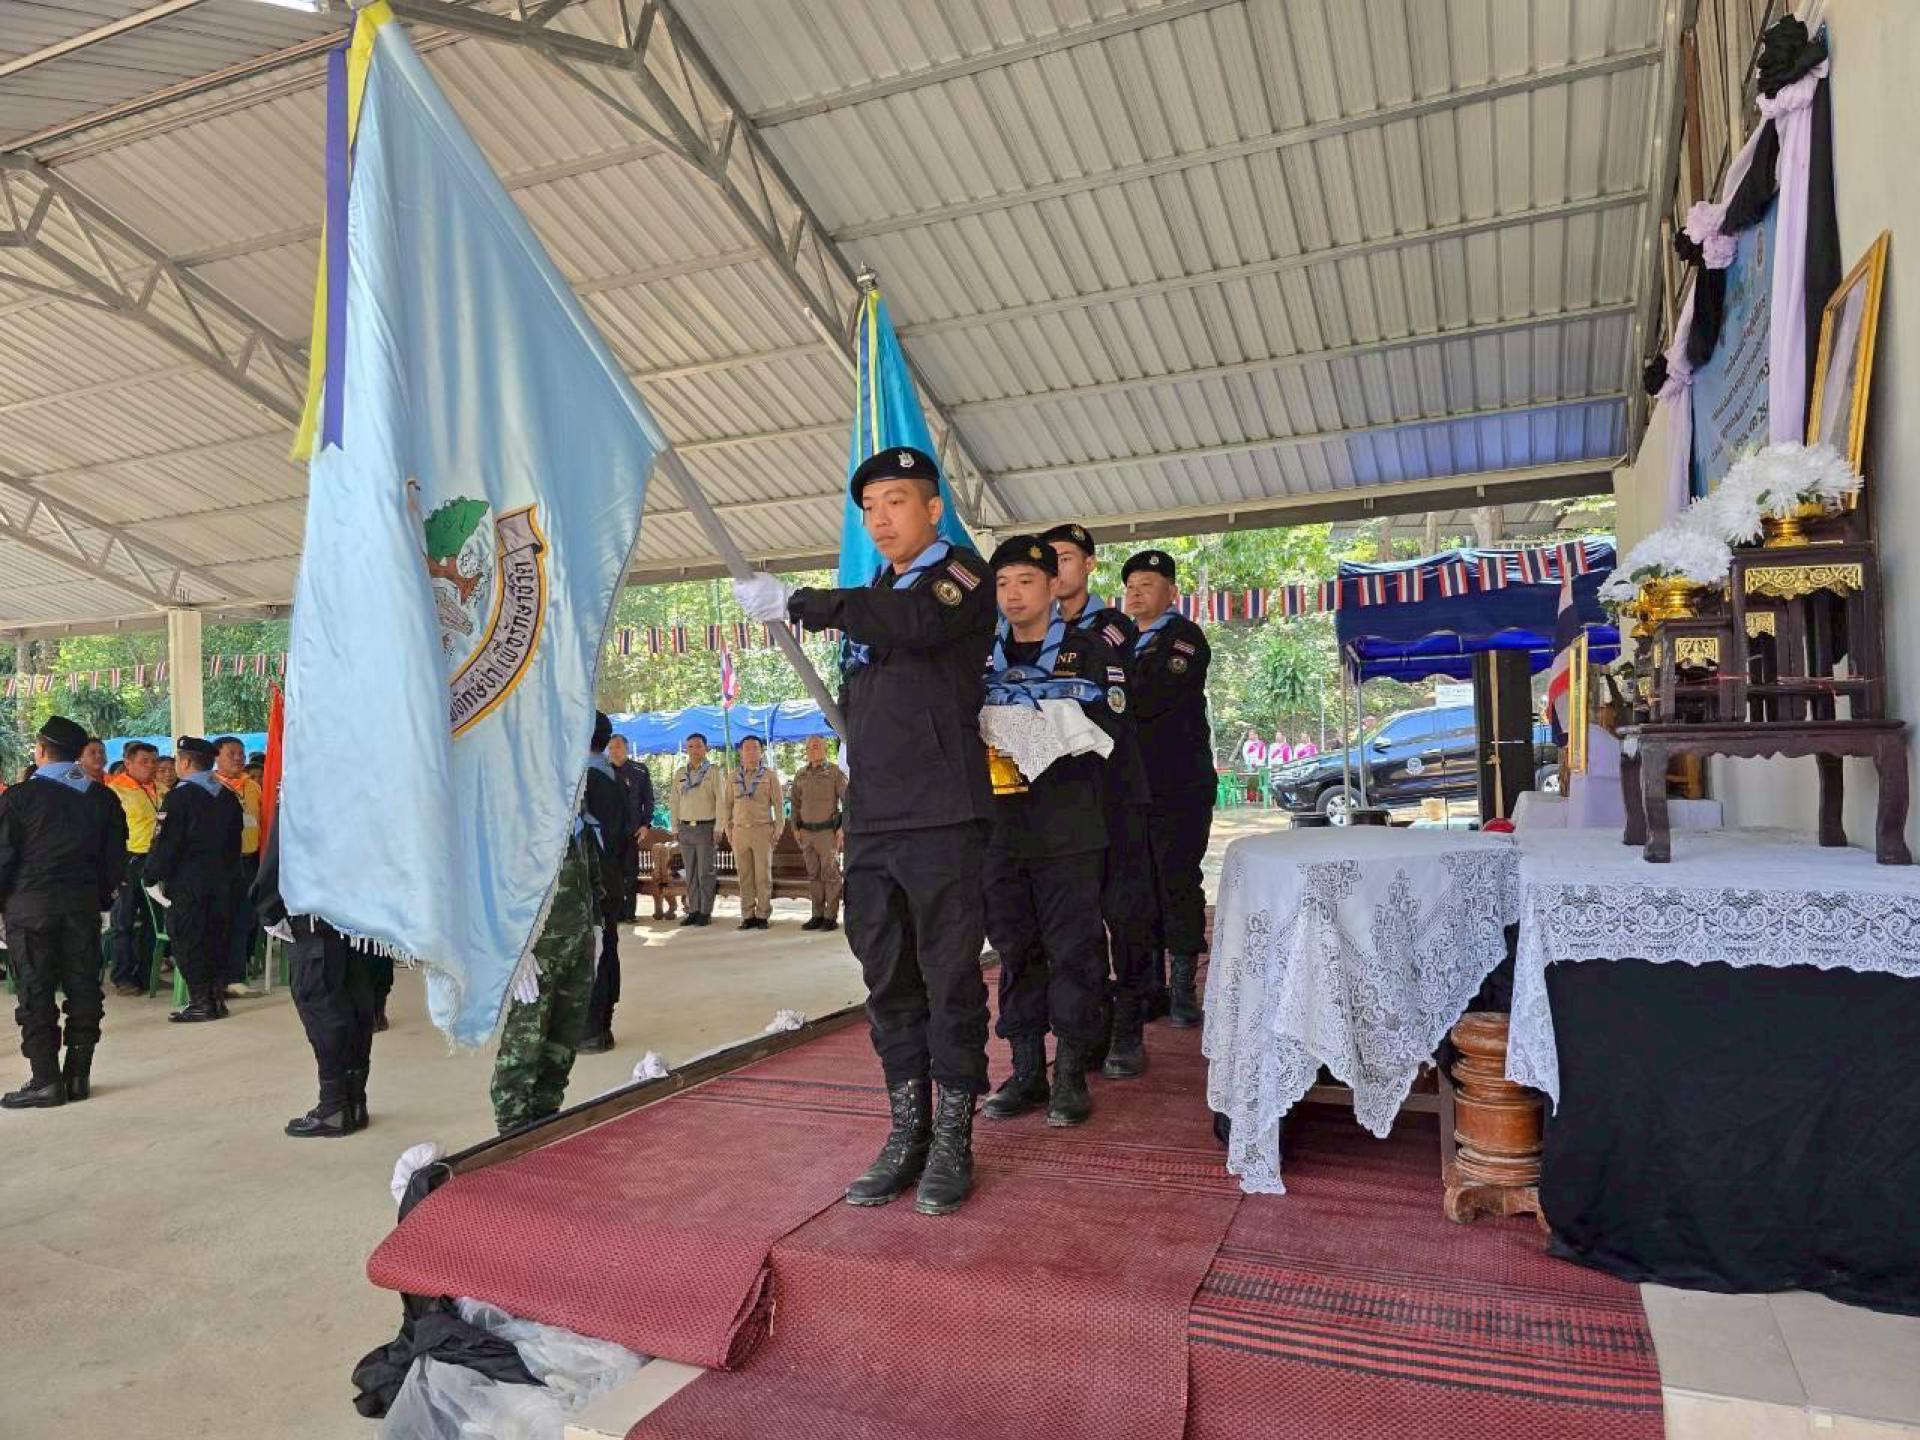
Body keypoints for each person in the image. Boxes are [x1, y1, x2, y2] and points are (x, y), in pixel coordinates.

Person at [734, 445, 996, 1216]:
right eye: (870, 509)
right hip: (877, 814)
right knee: (886, 976)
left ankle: (953, 1137)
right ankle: (907, 1130)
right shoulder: (877, 590)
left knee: (949, 977)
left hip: (944, 812)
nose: (880, 520)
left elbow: (916, 624)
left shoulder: (961, 577)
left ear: (933, 510)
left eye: (896, 503)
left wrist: (804, 602)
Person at [978, 537, 1126, 1128]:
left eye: (1026, 582)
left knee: (1074, 949)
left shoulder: (1088, 651)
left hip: (1068, 827)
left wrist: (1042, 724)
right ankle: (1025, 1070)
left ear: (1051, 586)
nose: (1014, 595)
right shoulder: (980, 655)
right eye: (1003, 584)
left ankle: (1069, 1072)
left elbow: (1112, 723)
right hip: (1001, 829)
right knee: (1015, 948)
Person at [1042, 521, 1158, 1071]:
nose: (1056, 569)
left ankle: (1130, 1026)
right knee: (1073, 922)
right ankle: (1086, 1028)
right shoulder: (1021, 634)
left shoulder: (1112, 626)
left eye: (1065, 558)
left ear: (1088, 564)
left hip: (1114, 793)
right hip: (1059, 800)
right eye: (1047, 561)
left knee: (1125, 912)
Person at [488, 719, 617, 1133]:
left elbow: (590, 868)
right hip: (537, 952)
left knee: (562, 1046)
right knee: (523, 1049)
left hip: (577, 945)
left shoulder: (573, 802)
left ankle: (544, 1126)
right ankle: (511, 1135)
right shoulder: (514, 812)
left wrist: (596, 926)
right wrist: (513, 949)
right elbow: (495, 885)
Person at [0, 716, 126, 1108]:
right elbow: (114, 861)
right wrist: (99, 899)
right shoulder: (102, 798)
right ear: (78, 753)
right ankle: (77, 1076)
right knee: (83, 988)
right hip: (81, 908)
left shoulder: (19, 798)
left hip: (30, 909)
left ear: (41, 751)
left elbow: (3, 859)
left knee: (35, 992)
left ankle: (45, 1080)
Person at [1122, 551, 1215, 1029]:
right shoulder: (1119, 639)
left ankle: (1182, 986)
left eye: (1148, 585)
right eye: (1131, 586)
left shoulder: (1184, 637)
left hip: (1179, 784)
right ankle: (1149, 988)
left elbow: (1152, 695)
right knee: (1139, 888)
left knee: (1176, 880)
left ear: (1172, 593)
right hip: (1132, 787)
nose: (1136, 593)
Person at [252, 817, 381, 1137]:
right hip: (360, 911)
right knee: (356, 1005)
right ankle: (355, 1101)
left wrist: (268, 907)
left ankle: (334, 1106)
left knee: (322, 1008)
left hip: (314, 915)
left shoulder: (303, 788)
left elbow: (283, 845)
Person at [144, 736, 243, 1024]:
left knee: (189, 942)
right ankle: (216, 999)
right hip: (222, 883)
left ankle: (201, 1002)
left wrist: (151, 875)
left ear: (186, 762)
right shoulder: (226, 795)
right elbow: (235, 844)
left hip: (188, 884)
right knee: (215, 940)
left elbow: (166, 844)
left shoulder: (180, 797)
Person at [578, 713, 634, 1054]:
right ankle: (603, 1025)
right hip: (611, 876)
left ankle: (590, 1028)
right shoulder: (614, 776)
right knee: (607, 945)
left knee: (590, 951)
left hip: (589, 880)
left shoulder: (581, 781)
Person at [107, 741, 163, 996]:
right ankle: (122, 976)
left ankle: (148, 974)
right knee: (124, 921)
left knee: (154, 920)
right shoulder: (115, 791)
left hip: (157, 860)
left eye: (154, 761)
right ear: (128, 763)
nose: (151, 766)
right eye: (144, 762)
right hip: (129, 860)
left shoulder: (162, 789)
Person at [211, 736, 264, 997]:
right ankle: (218, 978)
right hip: (222, 864)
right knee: (222, 920)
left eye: (241, 753)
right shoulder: (210, 786)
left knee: (244, 919)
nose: (239, 758)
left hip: (250, 860)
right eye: (231, 753)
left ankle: (235, 976)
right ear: (216, 757)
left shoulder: (252, 786)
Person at [787, 734, 847, 931]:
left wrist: (842, 828)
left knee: (830, 874)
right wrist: (795, 828)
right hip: (806, 833)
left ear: (824, 748)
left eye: (816, 746)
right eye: (809, 747)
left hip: (827, 833)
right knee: (813, 875)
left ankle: (830, 917)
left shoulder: (834, 773)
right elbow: (795, 804)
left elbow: (849, 802)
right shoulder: (800, 775)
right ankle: (817, 915)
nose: (812, 750)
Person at [724, 736, 782, 931]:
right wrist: (728, 830)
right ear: (741, 752)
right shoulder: (732, 777)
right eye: (747, 748)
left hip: (762, 831)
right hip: (740, 832)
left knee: (762, 876)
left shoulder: (769, 776)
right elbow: (727, 806)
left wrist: (778, 829)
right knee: (744, 875)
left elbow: (779, 805)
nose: (751, 752)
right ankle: (747, 915)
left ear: (761, 752)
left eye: (755, 748)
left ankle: (763, 914)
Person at [668, 733, 723, 927]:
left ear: (706, 748)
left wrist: (719, 827)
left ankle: (705, 911)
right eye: (690, 746)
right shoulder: (680, 773)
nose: (694, 750)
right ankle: (693, 910)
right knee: (690, 872)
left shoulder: (713, 772)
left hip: (705, 827)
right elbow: (674, 801)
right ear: (686, 749)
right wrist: (674, 826)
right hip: (685, 828)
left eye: (698, 746)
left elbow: (721, 800)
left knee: (705, 872)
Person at [606, 735, 655, 922]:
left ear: (626, 748)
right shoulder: (601, 770)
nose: (614, 751)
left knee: (630, 873)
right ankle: (614, 913)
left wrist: (645, 825)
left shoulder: (639, 770)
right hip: (609, 831)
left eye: (617, 746)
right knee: (612, 874)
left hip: (631, 830)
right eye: (610, 747)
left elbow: (648, 800)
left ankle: (629, 913)